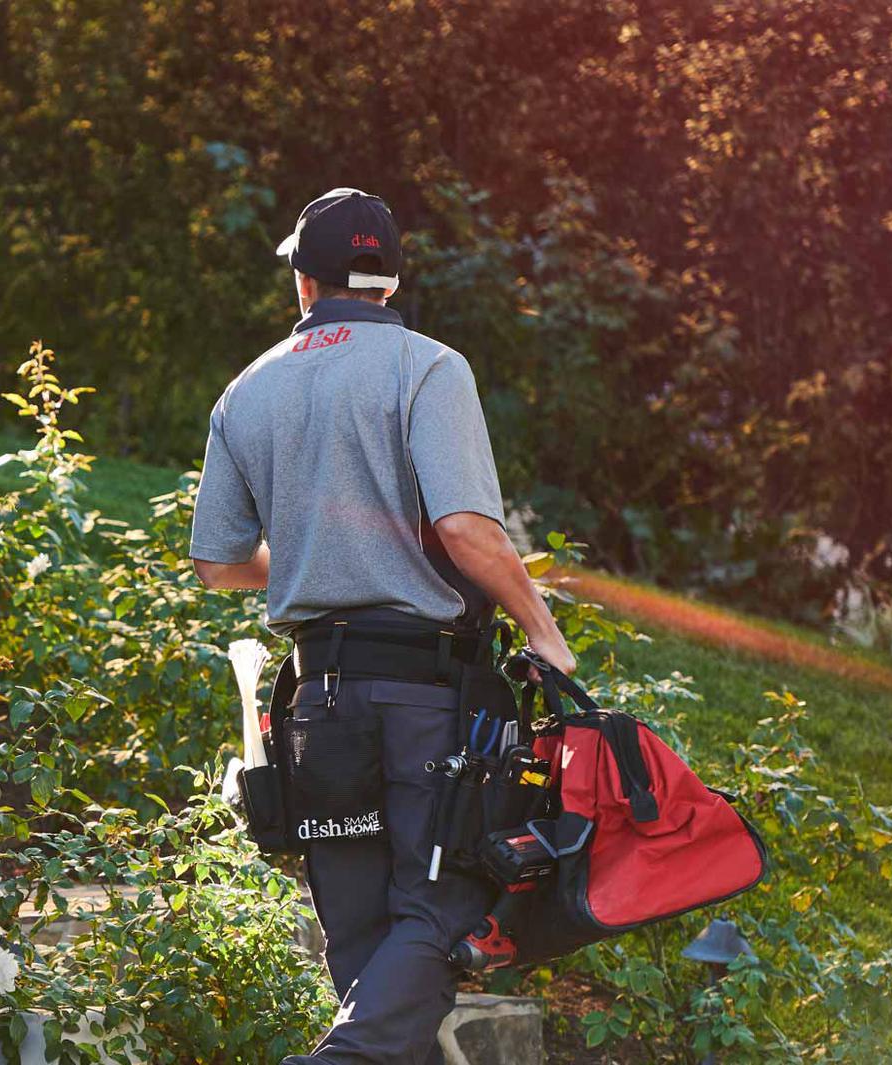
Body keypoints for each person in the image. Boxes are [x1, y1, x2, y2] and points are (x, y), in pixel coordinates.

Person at [187, 187, 576, 1064]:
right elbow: (465, 529)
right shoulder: (428, 368)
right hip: (423, 695)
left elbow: (217, 563)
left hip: (318, 701)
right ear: (391, 281)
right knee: (440, 911)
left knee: (361, 930)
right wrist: (542, 631)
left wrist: (313, 559)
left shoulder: (247, 390)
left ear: (304, 281)